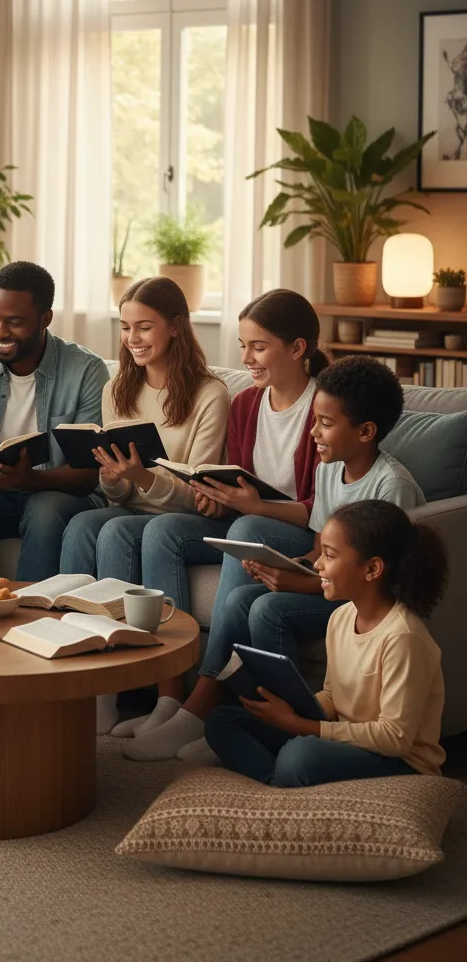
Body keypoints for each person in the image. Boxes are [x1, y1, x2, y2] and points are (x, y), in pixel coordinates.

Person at [124, 355, 426, 763]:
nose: (313, 432)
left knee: (269, 610)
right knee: (238, 599)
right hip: (336, 587)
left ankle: (280, 727)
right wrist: (280, 565)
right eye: (314, 420)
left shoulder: (392, 487)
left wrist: (297, 583)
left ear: (366, 431)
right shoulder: (327, 468)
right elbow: (320, 549)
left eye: (325, 424)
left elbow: (380, 584)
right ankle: (226, 712)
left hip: (368, 602)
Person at [123, 289, 325, 739]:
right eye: (243, 346)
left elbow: (323, 508)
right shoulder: (248, 403)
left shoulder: (323, 409)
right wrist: (215, 494)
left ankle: (203, 703)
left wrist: (253, 506)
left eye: (258, 346)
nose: (246, 358)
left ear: (297, 349)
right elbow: (237, 477)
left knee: (248, 524)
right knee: (163, 531)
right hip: (244, 515)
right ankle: (168, 698)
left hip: (298, 532)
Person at [56, 276, 229, 733]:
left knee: (117, 530)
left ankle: (161, 693)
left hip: (180, 516)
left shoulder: (210, 395)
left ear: (175, 327)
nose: (132, 338)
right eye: (126, 326)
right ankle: (87, 679)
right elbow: (118, 493)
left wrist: (142, 477)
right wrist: (115, 480)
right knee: (82, 524)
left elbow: (200, 493)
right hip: (134, 507)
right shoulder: (118, 390)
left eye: (144, 327)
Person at [206, 500, 446, 787]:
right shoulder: (341, 618)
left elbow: (394, 739)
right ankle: (280, 783)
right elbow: (333, 696)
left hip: (402, 764)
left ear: (372, 569)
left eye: (330, 555)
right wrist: (286, 712)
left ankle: (284, 780)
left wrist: (302, 727)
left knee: (300, 755)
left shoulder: (403, 637)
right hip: (348, 742)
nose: (317, 564)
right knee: (222, 720)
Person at [0, 261, 110, 582]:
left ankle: (33, 616)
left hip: (58, 498)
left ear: (45, 319)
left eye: (14, 322)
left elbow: (87, 477)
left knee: (44, 510)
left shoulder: (87, 371)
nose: (0, 332)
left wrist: (28, 479)